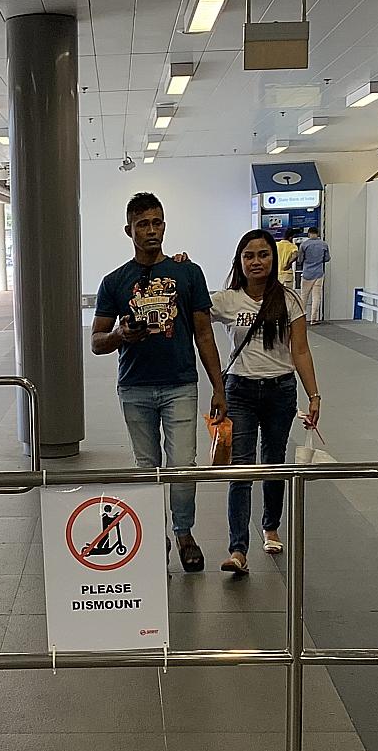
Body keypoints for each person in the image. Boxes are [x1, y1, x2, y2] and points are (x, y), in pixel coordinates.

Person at [92, 192, 226, 572]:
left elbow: (204, 333)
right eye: (142, 225)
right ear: (128, 230)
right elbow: (96, 342)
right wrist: (121, 335)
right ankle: (154, 532)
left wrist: (218, 386)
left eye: (157, 222)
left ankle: (184, 533)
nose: (151, 231)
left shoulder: (188, 273)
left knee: (183, 464)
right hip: (134, 386)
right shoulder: (114, 282)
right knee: (146, 466)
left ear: (164, 224)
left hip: (181, 383)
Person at [211, 229, 322, 573]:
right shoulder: (227, 300)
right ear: (239, 261)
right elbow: (192, 309)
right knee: (241, 468)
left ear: (274, 259)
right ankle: (238, 549)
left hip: (280, 391)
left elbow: (299, 349)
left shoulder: (289, 300)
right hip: (240, 391)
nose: (256, 261)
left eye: (263, 255)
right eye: (249, 255)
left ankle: (271, 525)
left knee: (274, 462)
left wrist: (313, 393)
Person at [297, 226, 329, 323]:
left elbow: (300, 260)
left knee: (304, 296)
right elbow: (327, 258)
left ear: (309, 233)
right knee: (317, 296)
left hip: (307, 273)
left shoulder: (304, 245)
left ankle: (301, 318)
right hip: (319, 273)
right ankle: (314, 318)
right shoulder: (324, 244)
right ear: (318, 233)